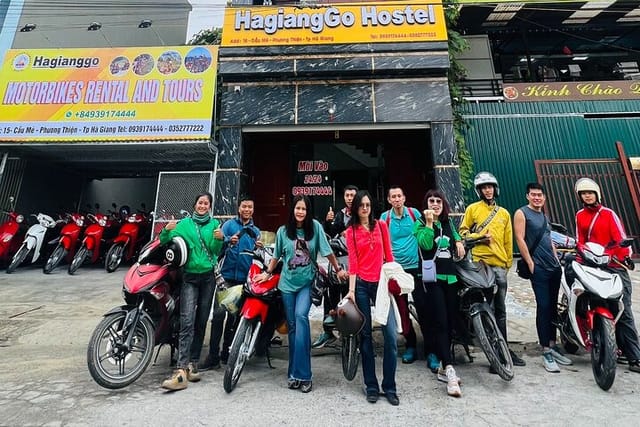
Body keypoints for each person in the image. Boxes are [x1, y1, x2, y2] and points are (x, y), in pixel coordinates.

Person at [255, 195, 348, 393]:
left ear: (308, 212)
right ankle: (293, 374)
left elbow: (327, 251)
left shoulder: (314, 227)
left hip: (307, 283)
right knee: (294, 328)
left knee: (300, 317)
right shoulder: (282, 231)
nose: (300, 212)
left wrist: (338, 268)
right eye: (298, 208)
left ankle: (304, 375)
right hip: (287, 285)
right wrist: (267, 273)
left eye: (304, 209)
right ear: (293, 210)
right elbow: (277, 255)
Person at [458, 172, 526, 367]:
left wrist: (506, 264)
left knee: (500, 309)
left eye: (490, 187)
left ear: (495, 189)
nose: (487, 190)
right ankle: (490, 346)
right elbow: (463, 232)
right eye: (483, 188)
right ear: (479, 190)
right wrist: (479, 236)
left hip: (500, 265)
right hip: (481, 264)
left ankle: (503, 347)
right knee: (484, 305)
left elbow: (508, 240)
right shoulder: (473, 209)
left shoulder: (504, 213)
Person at [574, 177, 640, 373]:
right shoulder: (580, 215)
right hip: (594, 266)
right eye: (583, 193)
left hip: (615, 265)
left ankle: (634, 356)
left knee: (623, 309)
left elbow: (620, 239)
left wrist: (622, 256)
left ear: (597, 194)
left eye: (590, 193)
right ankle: (609, 347)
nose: (587, 196)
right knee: (595, 303)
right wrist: (581, 255)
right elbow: (580, 240)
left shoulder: (609, 214)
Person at [160, 191, 223, 391]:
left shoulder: (214, 225)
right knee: (187, 320)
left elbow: (214, 251)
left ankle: (192, 363)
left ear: (210, 207)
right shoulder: (184, 224)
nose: (203, 206)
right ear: (194, 204)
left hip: (208, 278)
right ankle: (180, 369)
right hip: (189, 277)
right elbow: (165, 242)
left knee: (202, 319)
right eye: (200, 203)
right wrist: (165, 231)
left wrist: (219, 239)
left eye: (206, 203)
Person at [345, 190, 399, 406]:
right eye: (361, 205)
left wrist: (394, 279)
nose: (365, 209)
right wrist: (350, 291)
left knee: (391, 337)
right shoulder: (351, 232)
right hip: (361, 286)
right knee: (365, 338)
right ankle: (371, 386)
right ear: (355, 208)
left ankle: (390, 386)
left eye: (367, 205)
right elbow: (353, 263)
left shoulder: (382, 226)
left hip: (382, 284)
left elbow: (389, 255)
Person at [514, 183, 572, 373]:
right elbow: (520, 238)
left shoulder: (544, 217)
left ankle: (553, 345)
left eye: (540, 195)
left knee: (553, 307)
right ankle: (545, 350)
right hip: (538, 268)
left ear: (544, 198)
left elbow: (548, 239)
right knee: (544, 306)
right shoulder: (522, 213)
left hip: (553, 268)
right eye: (533, 195)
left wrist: (556, 260)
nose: (537, 198)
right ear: (527, 196)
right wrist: (530, 262)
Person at [414, 189, 465, 397]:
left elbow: (456, 239)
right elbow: (425, 244)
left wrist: (459, 241)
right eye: (431, 201)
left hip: (450, 279)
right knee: (441, 322)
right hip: (432, 281)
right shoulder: (419, 224)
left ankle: (445, 366)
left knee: (451, 322)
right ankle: (450, 369)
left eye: (438, 201)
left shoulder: (447, 224)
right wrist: (428, 223)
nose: (435, 204)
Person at [200, 196, 261, 370]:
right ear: (239, 208)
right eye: (244, 206)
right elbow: (217, 247)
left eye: (250, 207)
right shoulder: (228, 226)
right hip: (225, 278)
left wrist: (260, 247)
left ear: (253, 209)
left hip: (243, 279)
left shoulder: (256, 231)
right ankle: (213, 356)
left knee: (234, 319)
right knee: (219, 315)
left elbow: (257, 254)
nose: (247, 209)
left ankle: (227, 353)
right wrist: (228, 241)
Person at [379, 185, 424, 365]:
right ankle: (410, 344)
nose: (397, 199)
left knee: (423, 305)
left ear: (404, 198)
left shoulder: (415, 215)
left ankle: (431, 345)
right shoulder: (385, 218)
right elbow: (381, 242)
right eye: (393, 197)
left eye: (399, 196)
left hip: (416, 267)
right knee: (402, 309)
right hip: (396, 270)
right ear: (389, 200)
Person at [313, 184, 358, 348]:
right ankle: (328, 331)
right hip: (337, 261)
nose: (350, 198)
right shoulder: (339, 215)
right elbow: (329, 236)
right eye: (347, 195)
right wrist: (328, 222)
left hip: (355, 263)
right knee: (331, 293)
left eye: (353, 195)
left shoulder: (362, 213)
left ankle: (353, 336)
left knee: (351, 299)